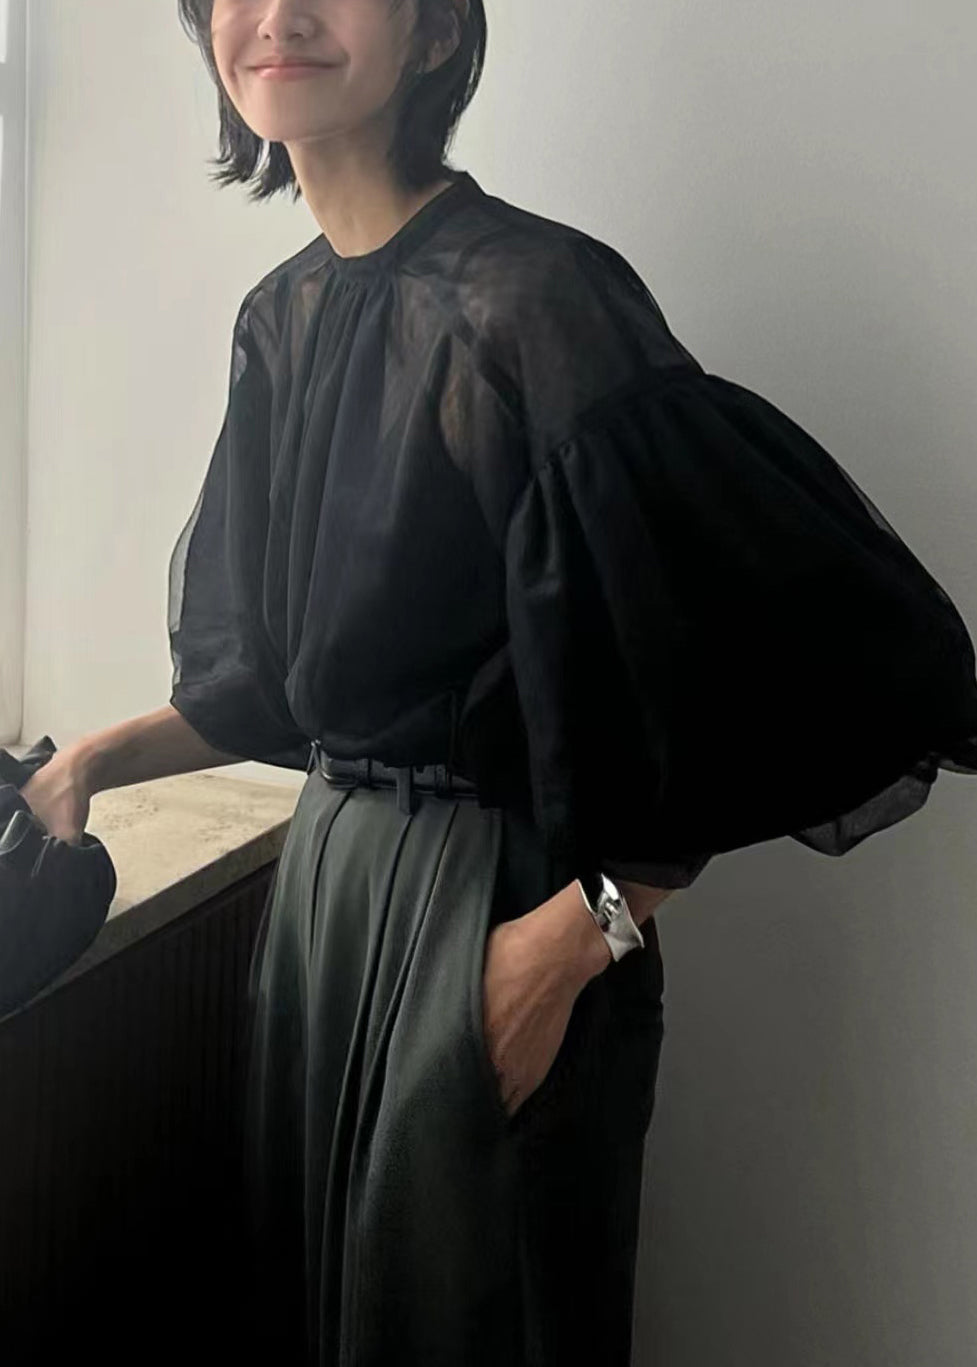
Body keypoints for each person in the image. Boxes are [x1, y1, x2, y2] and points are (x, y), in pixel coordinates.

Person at [21, 1, 977, 1364]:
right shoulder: (280, 314)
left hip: (504, 905)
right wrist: (90, 763)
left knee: (485, 1312)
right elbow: (277, 686)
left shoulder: (537, 299)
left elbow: (759, 672)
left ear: (432, 36)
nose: (278, 13)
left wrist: (577, 939)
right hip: (329, 898)